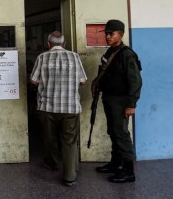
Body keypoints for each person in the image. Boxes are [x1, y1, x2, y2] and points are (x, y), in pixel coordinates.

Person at [30, 31, 87, 187]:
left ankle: (53, 163)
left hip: (47, 106)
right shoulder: (75, 57)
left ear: (48, 44)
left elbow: (33, 81)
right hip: (70, 107)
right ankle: (70, 175)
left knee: (50, 137)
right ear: (64, 44)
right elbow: (83, 81)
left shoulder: (42, 57)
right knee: (69, 140)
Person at [92, 19, 142, 183]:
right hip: (110, 98)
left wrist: (131, 104)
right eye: (106, 33)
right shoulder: (110, 52)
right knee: (113, 131)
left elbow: (136, 81)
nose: (107, 36)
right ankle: (116, 163)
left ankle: (128, 171)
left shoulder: (127, 54)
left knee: (121, 134)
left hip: (121, 101)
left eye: (111, 33)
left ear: (120, 34)